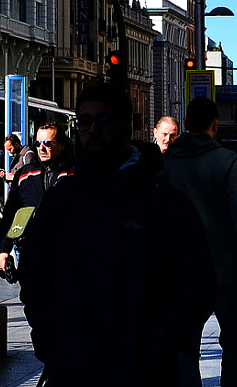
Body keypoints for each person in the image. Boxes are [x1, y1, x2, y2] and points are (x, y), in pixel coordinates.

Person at [18, 83, 213, 387]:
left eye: (104, 121)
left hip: (144, 369)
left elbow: (196, 282)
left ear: (126, 126)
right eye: (84, 122)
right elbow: (34, 273)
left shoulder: (162, 202)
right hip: (74, 365)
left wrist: (158, 342)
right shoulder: (63, 200)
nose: (93, 130)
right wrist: (49, 338)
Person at [163, 97, 237, 387]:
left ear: (187, 125)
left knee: (184, 343)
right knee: (234, 340)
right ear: (215, 124)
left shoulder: (166, 164)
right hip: (224, 270)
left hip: (180, 271)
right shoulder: (227, 162)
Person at [0, 123, 72, 277]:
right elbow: (11, 214)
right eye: (38, 143)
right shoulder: (25, 175)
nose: (41, 148)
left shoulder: (77, 173)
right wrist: (3, 250)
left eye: (48, 144)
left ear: (62, 145)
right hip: (32, 254)